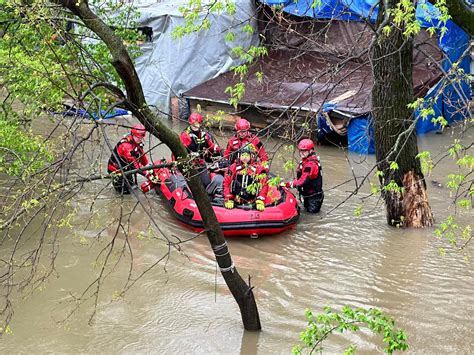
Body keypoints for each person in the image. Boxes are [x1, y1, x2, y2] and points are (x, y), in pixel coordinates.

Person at [180, 112, 223, 196]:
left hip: (201, 163)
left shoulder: (205, 134)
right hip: (190, 164)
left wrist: (217, 149)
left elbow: (210, 145)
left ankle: (207, 195)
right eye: (193, 124)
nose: (195, 126)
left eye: (197, 124)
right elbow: (179, 150)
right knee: (191, 183)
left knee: (206, 182)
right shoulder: (185, 136)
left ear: (200, 124)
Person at [108, 123, 152, 194]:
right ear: (133, 135)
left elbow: (142, 157)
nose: (140, 139)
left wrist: (150, 167)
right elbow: (135, 164)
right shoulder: (126, 146)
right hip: (116, 170)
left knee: (132, 186)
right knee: (125, 193)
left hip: (126, 168)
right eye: (138, 137)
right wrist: (148, 175)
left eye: (142, 137)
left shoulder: (137, 142)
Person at [282, 139, 324, 213]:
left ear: (310, 151)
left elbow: (302, 181)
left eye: (304, 151)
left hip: (314, 197)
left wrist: (287, 184)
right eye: (300, 151)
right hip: (308, 194)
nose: (301, 153)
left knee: (311, 217)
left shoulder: (311, 165)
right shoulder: (306, 160)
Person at [223, 144, 268, 212]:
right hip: (236, 199)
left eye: (247, 155)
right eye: (243, 155)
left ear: (251, 156)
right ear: (239, 156)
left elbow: (264, 184)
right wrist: (229, 198)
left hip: (252, 200)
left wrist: (260, 199)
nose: (245, 157)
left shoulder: (258, 168)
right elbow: (226, 183)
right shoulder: (233, 167)